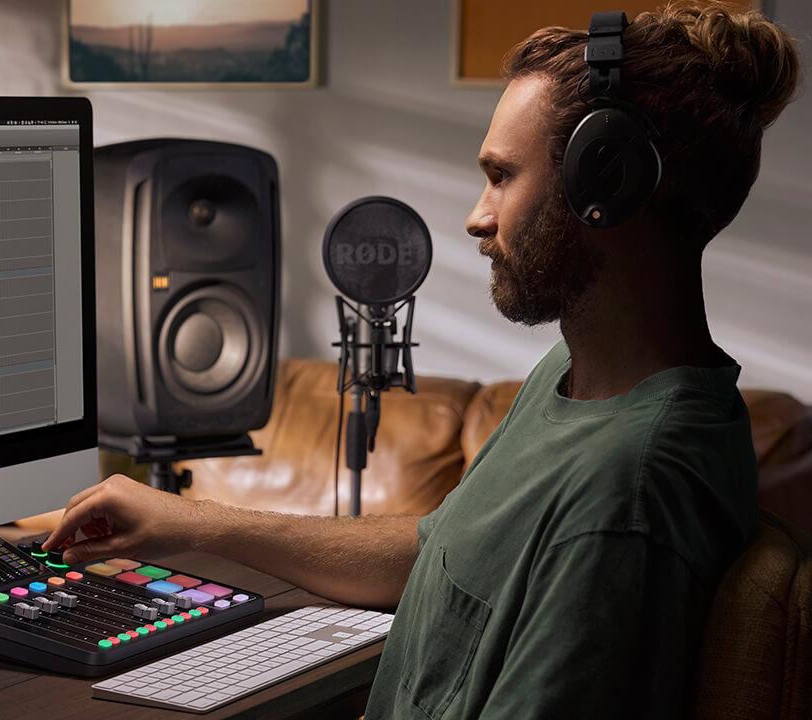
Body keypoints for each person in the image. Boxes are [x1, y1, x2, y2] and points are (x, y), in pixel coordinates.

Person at [44, 5, 801, 717]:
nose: (477, 216)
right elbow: (440, 553)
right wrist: (192, 522)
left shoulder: (627, 492)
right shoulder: (577, 385)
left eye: (502, 176)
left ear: (607, 182)